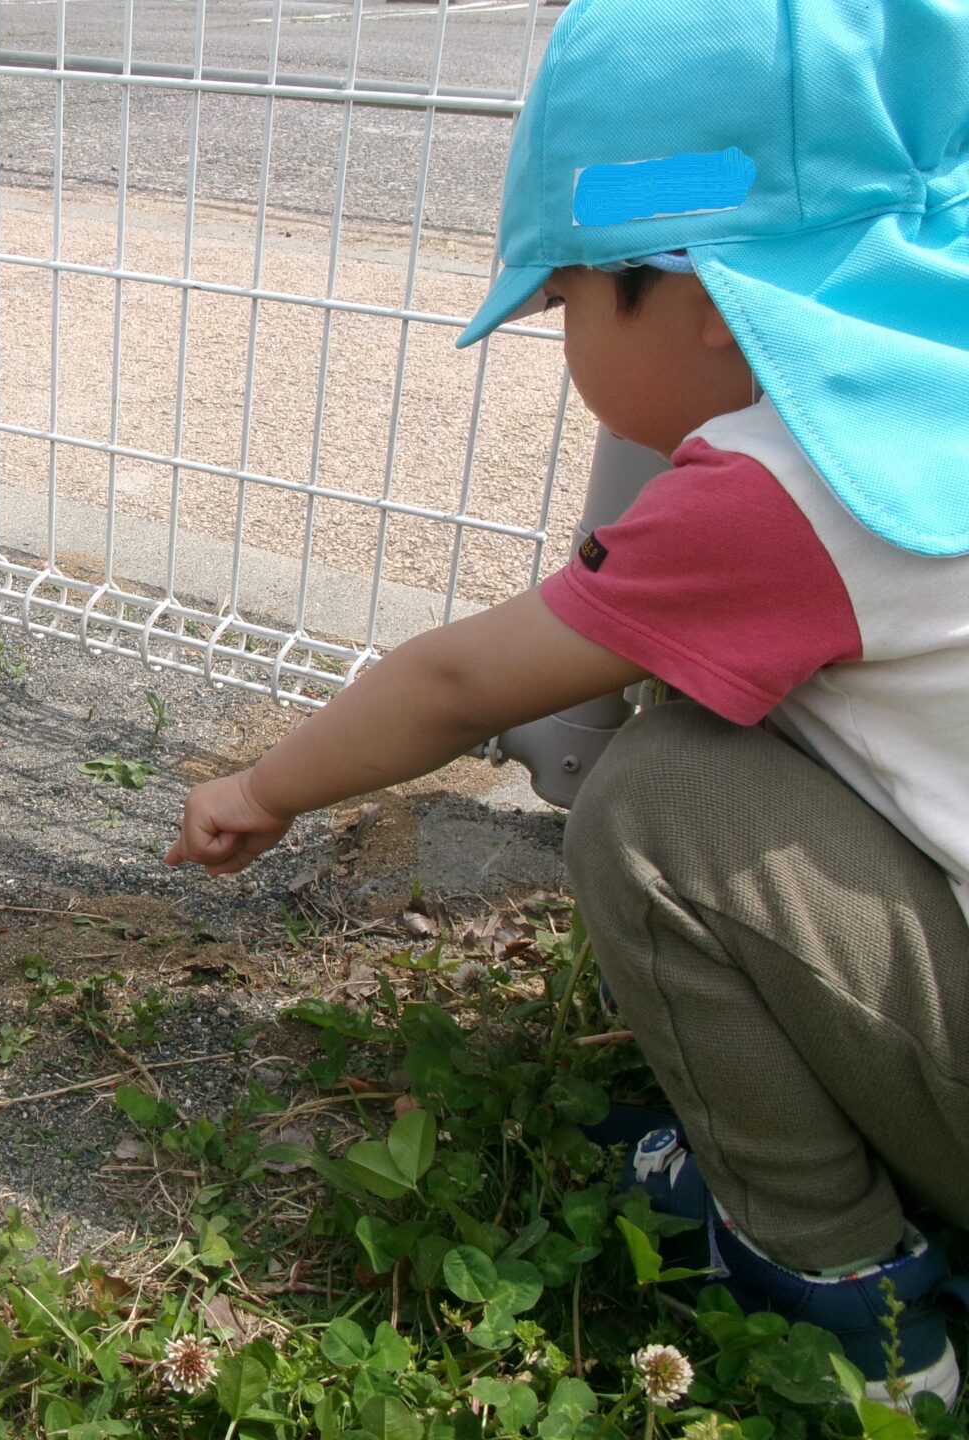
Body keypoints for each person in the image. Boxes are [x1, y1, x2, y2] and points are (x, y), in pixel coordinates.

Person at [168, 0, 969, 1405]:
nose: (563, 337)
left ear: (707, 297)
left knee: (666, 805)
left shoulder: (787, 492)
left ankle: (846, 1293)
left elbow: (456, 683)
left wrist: (261, 788)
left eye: (564, 301)